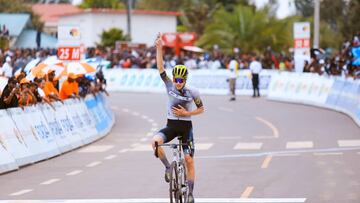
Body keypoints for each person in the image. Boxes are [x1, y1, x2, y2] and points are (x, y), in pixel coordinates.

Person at [151, 33, 204, 203]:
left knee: (189, 160)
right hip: (171, 126)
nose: (178, 82)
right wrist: (159, 48)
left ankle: (190, 193)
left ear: (185, 79)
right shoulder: (169, 85)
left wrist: (187, 113)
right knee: (155, 142)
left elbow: (201, 109)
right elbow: (160, 68)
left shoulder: (193, 91)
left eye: (181, 79)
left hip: (186, 128)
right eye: (176, 79)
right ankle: (168, 167)